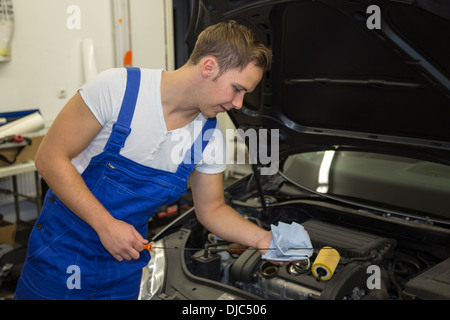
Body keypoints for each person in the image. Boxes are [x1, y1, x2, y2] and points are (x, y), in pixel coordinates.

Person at [15, 20, 274, 300]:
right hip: (59, 256)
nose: (239, 103)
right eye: (237, 89)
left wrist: (261, 239)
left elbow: (212, 209)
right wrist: (105, 224)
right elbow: (50, 158)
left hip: (121, 269)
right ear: (209, 67)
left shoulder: (209, 137)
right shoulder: (118, 89)